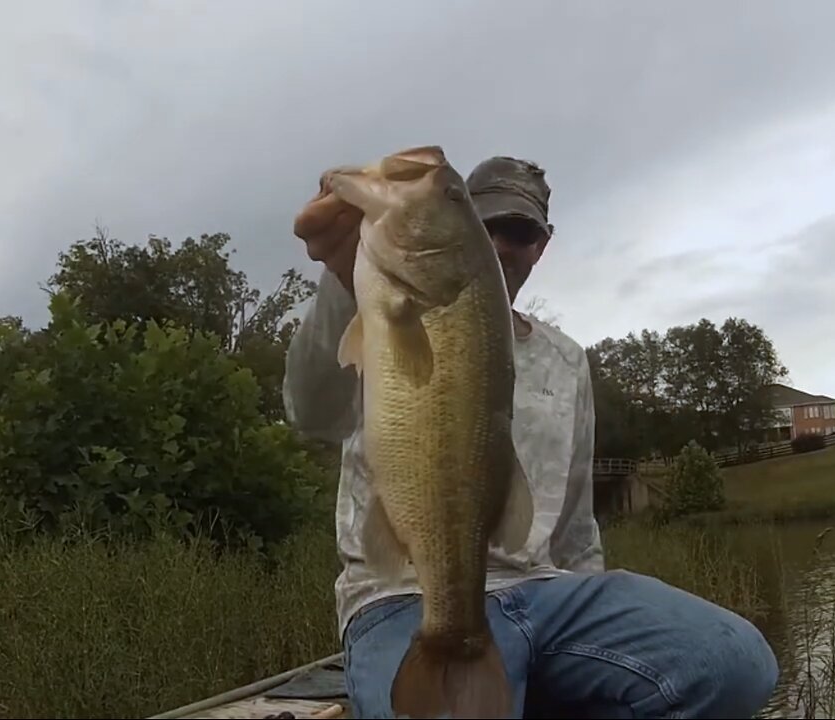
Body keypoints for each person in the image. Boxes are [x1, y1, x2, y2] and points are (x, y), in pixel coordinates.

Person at [283, 154, 779, 719]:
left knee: (734, 663)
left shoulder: (567, 360)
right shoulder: (380, 312)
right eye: (486, 223)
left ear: (541, 245)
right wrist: (342, 280)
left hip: (548, 591)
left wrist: (589, 615)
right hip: (401, 595)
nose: (499, 243)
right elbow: (312, 414)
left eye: (518, 231)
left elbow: (574, 522)